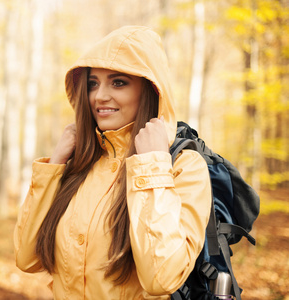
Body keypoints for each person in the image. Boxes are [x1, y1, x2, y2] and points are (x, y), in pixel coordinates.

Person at [14, 26, 212, 299]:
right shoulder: (81, 163)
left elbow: (161, 278)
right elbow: (27, 258)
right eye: (93, 83)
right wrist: (54, 167)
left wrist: (153, 166)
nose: (99, 96)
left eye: (118, 82)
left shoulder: (183, 167)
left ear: (151, 90)